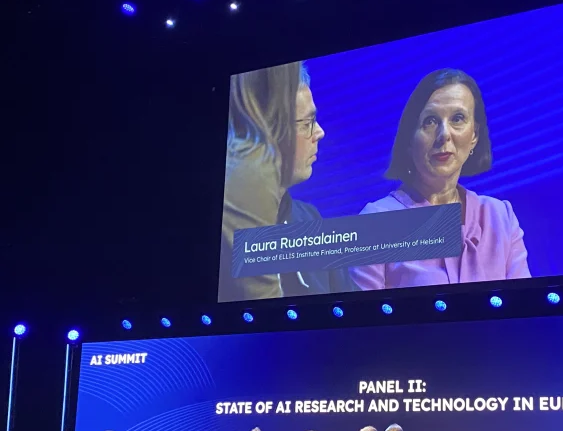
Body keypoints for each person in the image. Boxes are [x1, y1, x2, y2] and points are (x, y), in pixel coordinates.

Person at [349, 68, 531, 291]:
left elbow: (524, 304)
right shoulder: (375, 222)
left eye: (457, 119)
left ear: (474, 135)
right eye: (431, 121)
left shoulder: (500, 216)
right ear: (410, 139)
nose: (444, 134)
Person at [218, 63, 358, 301]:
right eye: (307, 123)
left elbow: (352, 305)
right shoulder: (227, 225)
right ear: (265, 131)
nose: (320, 132)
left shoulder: (310, 220)